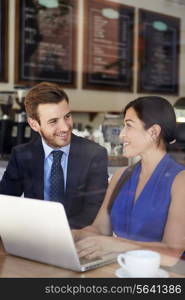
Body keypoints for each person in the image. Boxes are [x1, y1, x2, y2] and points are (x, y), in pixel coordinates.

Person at [73, 96, 185, 266]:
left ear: (153, 132)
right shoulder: (121, 176)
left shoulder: (180, 181)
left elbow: (171, 254)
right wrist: (70, 235)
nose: (122, 134)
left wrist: (117, 245)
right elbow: (100, 229)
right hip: (123, 270)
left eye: (129, 125)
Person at [0, 82, 109, 229]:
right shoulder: (22, 155)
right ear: (34, 125)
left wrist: (57, 233)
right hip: (33, 236)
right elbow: (5, 203)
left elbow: (95, 211)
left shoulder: (94, 154)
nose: (64, 127)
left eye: (67, 116)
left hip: (78, 238)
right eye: (53, 121)